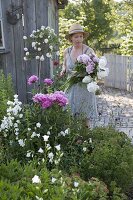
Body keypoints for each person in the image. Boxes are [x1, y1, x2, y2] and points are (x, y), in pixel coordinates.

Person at [60, 23, 98, 127]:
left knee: (84, 118)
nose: (79, 39)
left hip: (84, 88)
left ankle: (86, 140)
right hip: (71, 87)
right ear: (71, 38)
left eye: (81, 36)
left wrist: (85, 73)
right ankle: (73, 140)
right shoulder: (67, 51)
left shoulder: (88, 51)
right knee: (69, 116)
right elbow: (65, 64)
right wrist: (63, 70)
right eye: (76, 36)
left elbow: (94, 69)